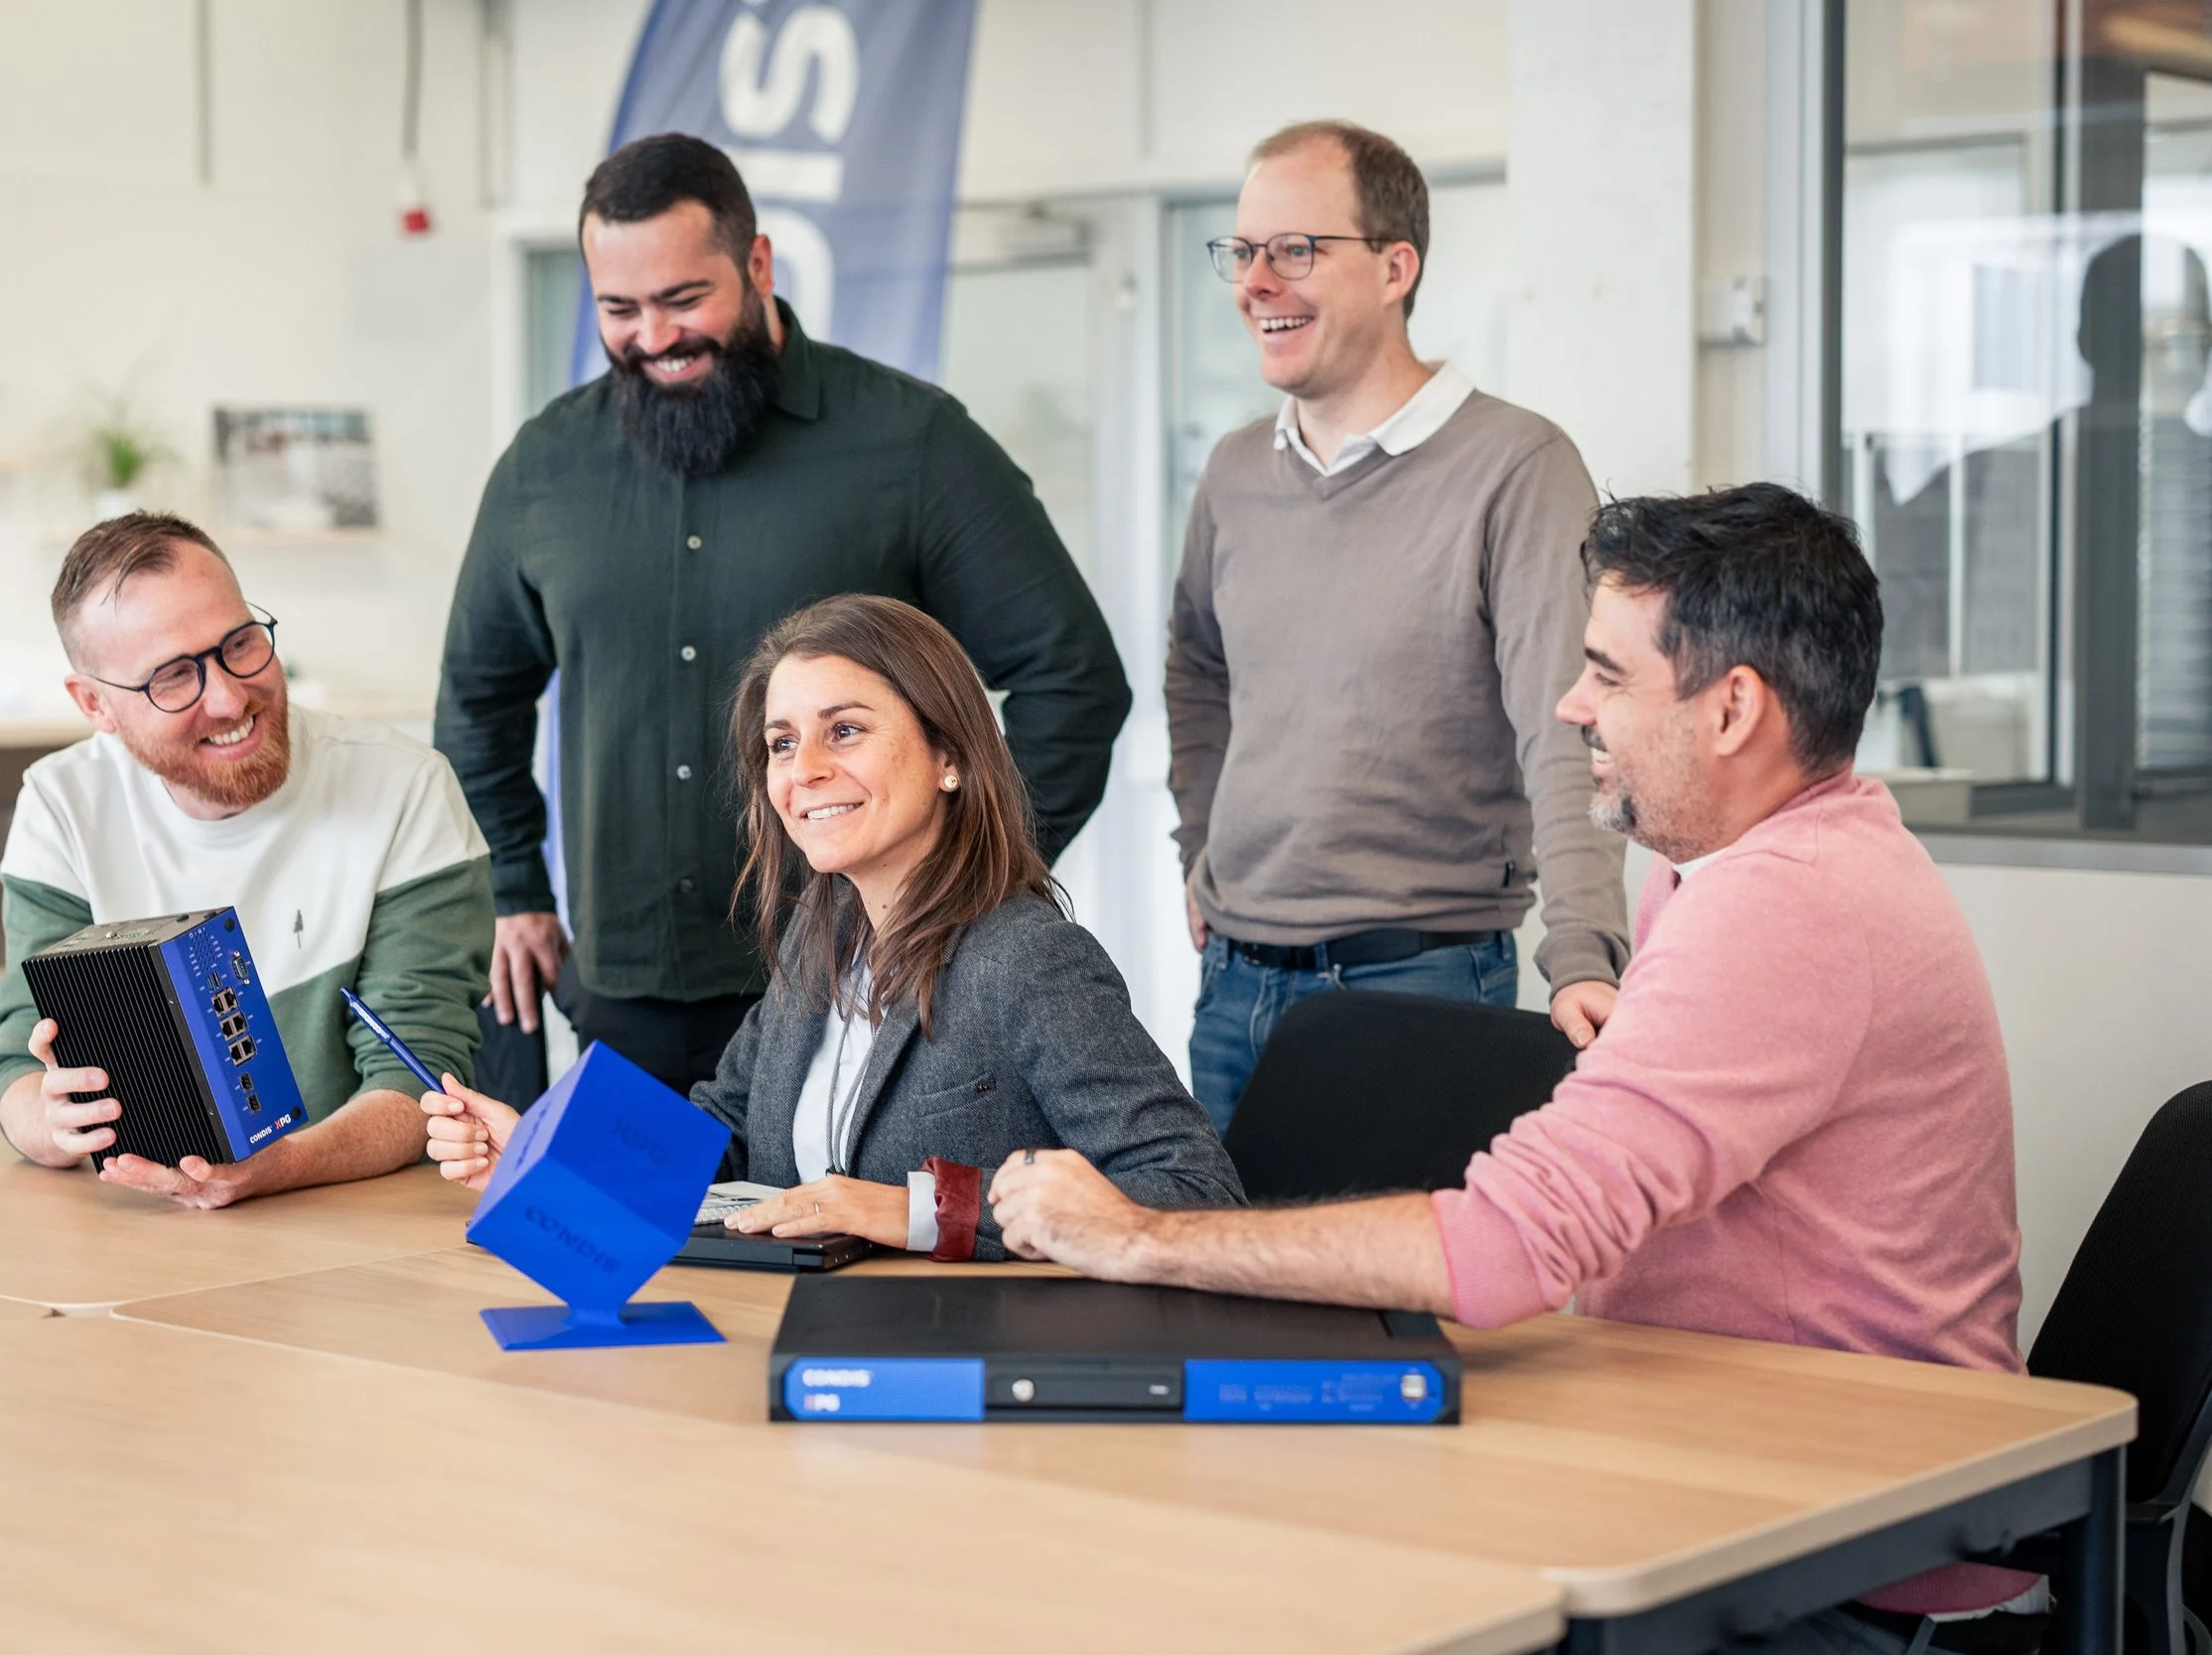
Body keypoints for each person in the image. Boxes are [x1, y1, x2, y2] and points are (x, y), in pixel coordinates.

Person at [996, 484, 2036, 1646]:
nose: (1570, 703)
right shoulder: (1756, 850)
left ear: (1733, 707)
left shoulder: (1787, 903)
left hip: (1845, 1566)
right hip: (1758, 1472)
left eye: (1608, 672)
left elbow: (1507, 1248)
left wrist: (1138, 1236)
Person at [436, 133, 1130, 1101]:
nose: (655, 336)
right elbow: (476, 701)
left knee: (831, 1249)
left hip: (861, 992)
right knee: (625, 1248)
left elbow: (1073, 679)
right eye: (619, 309)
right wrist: (515, 887)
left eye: (685, 300)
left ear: (757, 264)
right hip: (620, 996)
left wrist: (959, 891)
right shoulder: (543, 466)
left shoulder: (910, 441)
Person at [424, 596, 1239, 1260]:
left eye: (844, 730)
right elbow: (722, 1144)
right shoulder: (819, 949)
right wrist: (543, 1152)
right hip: (793, 1346)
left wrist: (914, 1210)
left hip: (955, 1379)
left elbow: (1192, 1190)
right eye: (783, 742)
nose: (803, 768)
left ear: (950, 754)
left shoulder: (1027, 959)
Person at [1171, 119, 1628, 1132]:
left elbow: (1567, 723)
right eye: (1241, 252)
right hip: (1232, 991)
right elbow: (1195, 669)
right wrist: (1197, 842)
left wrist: (1584, 949)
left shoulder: (1516, 466)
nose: (1256, 281)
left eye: (1294, 249)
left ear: (1394, 266)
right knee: (1205, 1286)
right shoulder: (1236, 468)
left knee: (1404, 1294)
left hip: (1418, 988)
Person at [0, 513, 492, 1209]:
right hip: (133, 1222)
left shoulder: (404, 787)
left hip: (349, 1215)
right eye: (173, 678)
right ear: (95, 703)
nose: (228, 697)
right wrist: (50, 1121)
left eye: (241, 644)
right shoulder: (62, 802)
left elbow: (417, 1079)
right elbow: (17, 1058)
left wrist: (277, 1166)